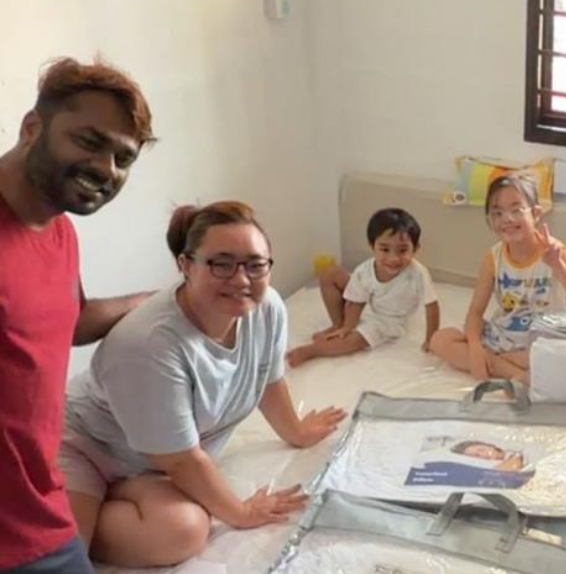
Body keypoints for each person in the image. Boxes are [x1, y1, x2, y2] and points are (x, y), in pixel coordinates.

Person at [58, 201, 348, 567]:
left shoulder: (267, 308)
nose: (241, 280)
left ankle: (113, 496)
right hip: (84, 448)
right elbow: (180, 459)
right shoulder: (151, 343)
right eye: (221, 264)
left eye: (255, 265)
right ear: (185, 265)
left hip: (149, 462)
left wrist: (297, 432)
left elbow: (266, 378)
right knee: (61, 560)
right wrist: (243, 512)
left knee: (181, 529)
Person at [0, 57, 156, 574]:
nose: (106, 169)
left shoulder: (59, 231)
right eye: (89, 141)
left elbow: (61, 322)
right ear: (32, 127)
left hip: (37, 512)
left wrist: (153, 301)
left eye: (123, 158)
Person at [428, 175, 566, 383]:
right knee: (440, 340)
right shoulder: (493, 258)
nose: (507, 219)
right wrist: (476, 349)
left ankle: (501, 365)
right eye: (498, 213)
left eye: (516, 210)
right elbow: (475, 312)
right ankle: (516, 374)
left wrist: (558, 266)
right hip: (503, 336)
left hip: (543, 339)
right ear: (489, 220)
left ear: (536, 214)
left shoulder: (553, 251)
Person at [287, 207, 440, 367]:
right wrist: (346, 327)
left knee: (354, 342)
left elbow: (431, 306)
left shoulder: (418, 274)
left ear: (415, 249)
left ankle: (311, 351)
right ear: (372, 246)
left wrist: (430, 339)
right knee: (329, 273)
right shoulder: (364, 270)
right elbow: (356, 301)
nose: (393, 258)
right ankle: (337, 325)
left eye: (402, 250)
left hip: (388, 320)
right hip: (367, 305)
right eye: (385, 249)